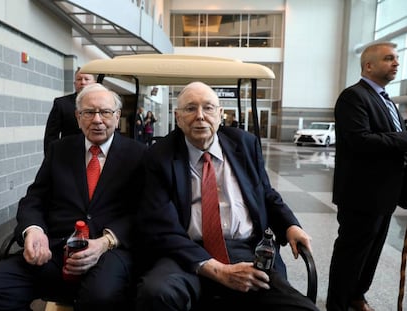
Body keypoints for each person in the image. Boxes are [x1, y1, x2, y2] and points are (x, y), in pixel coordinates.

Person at [135, 81, 319, 311]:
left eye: (208, 107)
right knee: (156, 294)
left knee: (302, 308)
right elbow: (159, 225)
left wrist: (291, 225)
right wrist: (217, 270)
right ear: (178, 117)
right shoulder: (158, 156)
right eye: (191, 109)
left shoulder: (245, 143)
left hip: (245, 249)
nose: (200, 116)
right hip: (186, 253)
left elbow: (265, 194)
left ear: (221, 114)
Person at [0, 83, 146, 311]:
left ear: (117, 116)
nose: (97, 119)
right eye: (88, 112)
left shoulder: (139, 155)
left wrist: (106, 242)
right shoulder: (59, 149)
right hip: (53, 250)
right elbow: (34, 199)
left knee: (100, 298)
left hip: (108, 253)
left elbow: (144, 211)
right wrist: (34, 230)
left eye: (104, 112)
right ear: (77, 116)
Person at [327, 42, 407, 311]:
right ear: (368, 65)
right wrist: (404, 139)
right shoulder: (354, 97)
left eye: (396, 59)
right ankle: (337, 304)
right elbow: (359, 140)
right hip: (361, 194)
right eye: (389, 59)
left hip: (385, 193)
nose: (396, 63)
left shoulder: (386, 100)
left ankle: (357, 295)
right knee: (351, 252)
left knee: (372, 253)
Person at [43, 67, 96, 155]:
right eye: (79, 79)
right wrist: (51, 160)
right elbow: (51, 136)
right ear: (75, 83)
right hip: (69, 155)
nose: (82, 82)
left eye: (86, 79)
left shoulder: (103, 103)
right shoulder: (61, 104)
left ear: (94, 83)